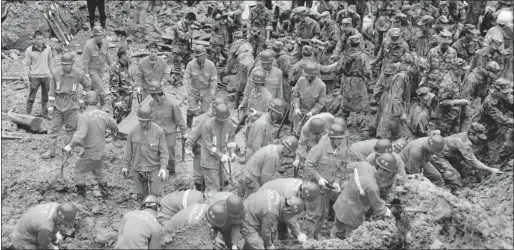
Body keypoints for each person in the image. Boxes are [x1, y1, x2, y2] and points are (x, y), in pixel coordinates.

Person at [63, 91, 120, 202]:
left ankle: (81, 198)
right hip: (101, 151)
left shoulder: (84, 117)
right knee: (99, 173)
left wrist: (70, 146)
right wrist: (110, 133)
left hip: (90, 152)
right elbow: (115, 126)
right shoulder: (103, 114)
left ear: (85, 103)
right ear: (97, 102)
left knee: (79, 172)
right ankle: (106, 196)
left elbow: (80, 135)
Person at [331, 154, 396, 240]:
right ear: (386, 171)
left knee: (337, 231)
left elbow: (349, 167)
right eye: (391, 172)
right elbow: (378, 206)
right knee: (354, 239)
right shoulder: (373, 187)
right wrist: (388, 212)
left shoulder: (363, 165)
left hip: (341, 205)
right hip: (353, 215)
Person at [304, 123, 350, 240]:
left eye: (342, 139)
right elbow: (308, 165)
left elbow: (340, 168)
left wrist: (336, 181)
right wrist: (319, 178)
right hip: (314, 187)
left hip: (327, 188)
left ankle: (317, 234)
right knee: (314, 213)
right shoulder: (319, 149)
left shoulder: (341, 151)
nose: (340, 141)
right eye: (338, 139)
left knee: (324, 213)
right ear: (331, 138)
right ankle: (309, 238)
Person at [42, 53, 91, 159]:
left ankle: (66, 150)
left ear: (72, 64)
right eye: (64, 64)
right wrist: (50, 106)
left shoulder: (78, 73)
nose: (66, 67)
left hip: (72, 105)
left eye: (68, 64)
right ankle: (51, 151)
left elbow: (88, 86)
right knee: (53, 129)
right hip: (58, 104)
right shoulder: (56, 73)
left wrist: (82, 98)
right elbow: (52, 90)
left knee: (70, 129)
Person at [430, 122, 504, 187]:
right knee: (454, 176)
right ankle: (456, 192)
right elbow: (473, 162)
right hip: (436, 155)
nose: (480, 141)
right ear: (471, 134)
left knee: (463, 168)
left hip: (448, 153)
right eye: (478, 138)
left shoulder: (465, 135)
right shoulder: (463, 143)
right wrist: (491, 170)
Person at [122, 105, 169, 200]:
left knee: (155, 195)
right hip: (138, 168)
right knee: (141, 196)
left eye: (143, 121)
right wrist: (125, 166)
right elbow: (128, 150)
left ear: (149, 120)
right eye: (139, 120)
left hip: (154, 168)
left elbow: (164, 151)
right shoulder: (133, 131)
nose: (140, 123)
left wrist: (163, 168)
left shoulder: (158, 131)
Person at [241, 189, 307, 249]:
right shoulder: (271, 212)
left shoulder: (278, 197)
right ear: (288, 210)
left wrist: (298, 233)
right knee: (258, 245)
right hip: (245, 219)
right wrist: (269, 245)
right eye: (291, 214)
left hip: (251, 209)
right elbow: (266, 231)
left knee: (272, 232)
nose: (290, 216)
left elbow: (288, 219)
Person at [148, 81, 188, 176]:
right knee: (155, 152)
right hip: (156, 133)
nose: (153, 97)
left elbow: (179, 119)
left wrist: (184, 131)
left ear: (157, 94)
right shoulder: (151, 103)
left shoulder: (172, 104)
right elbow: (149, 118)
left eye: (153, 95)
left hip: (169, 133)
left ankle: (172, 171)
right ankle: (158, 171)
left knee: (170, 153)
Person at [333, 34, 372, 120]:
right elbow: (368, 71)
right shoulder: (363, 56)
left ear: (349, 43)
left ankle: (341, 123)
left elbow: (337, 70)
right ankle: (362, 125)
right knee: (362, 105)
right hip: (359, 81)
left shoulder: (344, 56)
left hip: (347, 80)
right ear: (358, 43)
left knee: (346, 104)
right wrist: (368, 79)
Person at [201, 103, 237, 192]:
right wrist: (221, 155)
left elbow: (231, 139)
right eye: (221, 120)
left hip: (220, 162)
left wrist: (232, 152)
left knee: (221, 186)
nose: (223, 122)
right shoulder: (207, 126)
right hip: (209, 162)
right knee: (213, 189)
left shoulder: (228, 123)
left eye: (225, 120)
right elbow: (209, 146)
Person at [478, 78, 513, 165]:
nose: (508, 95)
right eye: (505, 93)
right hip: (487, 125)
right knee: (488, 146)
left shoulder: (507, 96)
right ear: (497, 91)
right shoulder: (489, 102)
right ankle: (488, 166)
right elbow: (501, 119)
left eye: (509, 92)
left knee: (501, 141)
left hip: (499, 124)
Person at [12, 202, 78, 249]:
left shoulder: (56, 206)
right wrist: (54, 248)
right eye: (64, 223)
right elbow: (45, 245)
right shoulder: (45, 227)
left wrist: (56, 234)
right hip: (23, 240)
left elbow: (53, 223)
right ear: (59, 220)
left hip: (28, 228)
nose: (64, 225)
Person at [184, 45, 218, 128]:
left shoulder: (211, 65)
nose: (201, 58)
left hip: (206, 91)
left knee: (205, 112)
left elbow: (214, 79)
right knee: (190, 111)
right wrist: (185, 91)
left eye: (202, 55)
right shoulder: (190, 65)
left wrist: (213, 91)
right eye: (198, 56)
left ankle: (204, 128)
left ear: (205, 55)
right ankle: (189, 127)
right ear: (196, 57)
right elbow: (186, 78)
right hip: (194, 90)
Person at [435, 58, 471, 136]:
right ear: (455, 69)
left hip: (454, 115)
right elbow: (442, 102)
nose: (464, 71)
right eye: (463, 69)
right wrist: (459, 102)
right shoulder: (447, 82)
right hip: (445, 119)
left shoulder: (458, 77)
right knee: (441, 138)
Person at [373, 62, 409, 140]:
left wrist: (377, 97)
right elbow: (397, 96)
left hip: (384, 96)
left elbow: (377, 87)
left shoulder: (384, 73)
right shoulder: (399, 77)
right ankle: (390, 137)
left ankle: (379, 133)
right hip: (392, 98)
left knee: (382, 117)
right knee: (391, 118)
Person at [291, 62, 327, 134]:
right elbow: (295, 95)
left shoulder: (321, 86)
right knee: (297, 130)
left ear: (314, 75)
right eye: (305, 75)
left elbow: (321, 102)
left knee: (309, 132)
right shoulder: (301, 80)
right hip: (300, 111)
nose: (306, 77)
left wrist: (312, 112)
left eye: (308, 76)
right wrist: (297, 107)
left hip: (312, 113)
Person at [25, 30, 54, 117]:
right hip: (34, 76)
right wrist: (27, 77)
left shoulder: (48, 49)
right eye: (38, 39)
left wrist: (53, 74)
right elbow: (28, 65)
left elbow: (50, 62)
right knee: (31, 97)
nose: (40, 41)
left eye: (41, 39)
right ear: (34, 39)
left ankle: (44, 114)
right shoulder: (29, 50)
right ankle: (28, 114)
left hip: (46, 76)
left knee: (45, 97)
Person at [82, 26, 112, 108]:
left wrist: (111, 65)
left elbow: (108, 55)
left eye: (102, 35)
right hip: (92, 70)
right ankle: (103, 105)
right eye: (98, 36)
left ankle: (90, 102)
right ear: (94, 36)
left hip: (101, 69)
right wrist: (86, 73)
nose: (100, 37)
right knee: (100, 88)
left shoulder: (105, 43)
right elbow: (85, 60)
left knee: (94, 87)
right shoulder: (88, 46)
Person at [420, 30, 457, 94]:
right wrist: (423, 80)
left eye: (447, 43)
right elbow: (427, 68)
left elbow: (454, 69)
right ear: (440, 41)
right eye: (444, 43)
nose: (446, 44)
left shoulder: (453, 52)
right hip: (432, 83)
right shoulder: (432, 51)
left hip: (446, 84)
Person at [227, 31, 254, 108]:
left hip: (242, 63)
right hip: (251, 62)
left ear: (234, 38)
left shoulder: (234, 45)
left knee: (240, 83)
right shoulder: (248, 44)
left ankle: (236, 104)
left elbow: (230, 60)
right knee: (250, 82)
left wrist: (228, 70)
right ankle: (248, 103)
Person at [109, 46, 135, 124]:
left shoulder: (128, 64)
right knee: (119, 120)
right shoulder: (114, 67)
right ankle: (116, 135)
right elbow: (114, 86)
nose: (131, 56)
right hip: (120, 97)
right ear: (123, 56)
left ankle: (125, 135)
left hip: (129, 96)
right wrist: (117, 101)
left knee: (128, 118)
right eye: (129, 54)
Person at [172, 12, 196, 82]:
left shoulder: (187, 24)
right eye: (191, 21)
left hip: (185, 49)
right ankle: (176, 81)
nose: (192, 23)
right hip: (178, 49)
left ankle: (188, 77)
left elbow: (189, 38)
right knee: (177, 67)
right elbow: (183, 37)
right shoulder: (179, 25)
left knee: (190, 63)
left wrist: (190, 47)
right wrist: (191, 30)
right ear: (188, 19)